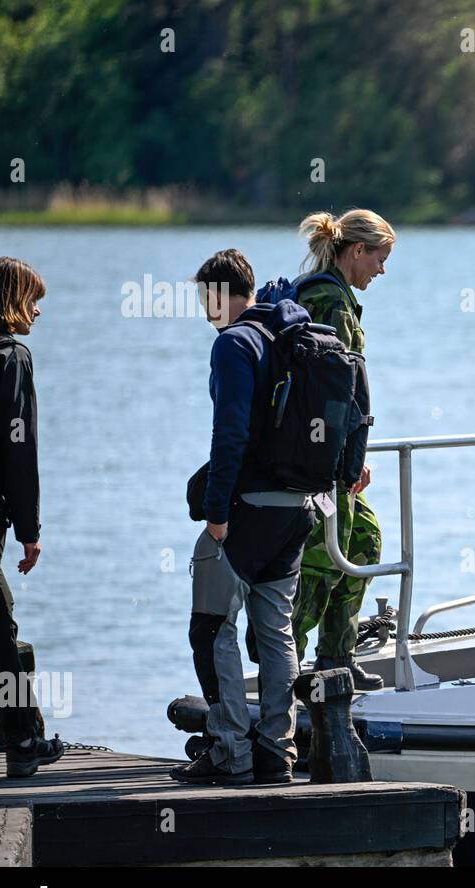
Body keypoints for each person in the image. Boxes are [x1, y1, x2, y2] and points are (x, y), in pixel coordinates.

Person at [173, 249, 317, 785]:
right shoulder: (298, 333)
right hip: (298, 509)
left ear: (221, 293)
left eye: (205, 298)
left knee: (212, 628)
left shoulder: (234, 344)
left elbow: (229, 433)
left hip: (246, 508)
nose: (203, 309)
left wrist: (215, 512)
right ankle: (277, 754)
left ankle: (229, 753)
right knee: (277, 633)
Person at [288, 210, 394, 691]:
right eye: (379, 258)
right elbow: (331, 394)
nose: (381, 270)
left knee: (364, 542)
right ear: (357, 251)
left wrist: (356, 457)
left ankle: (337, 655)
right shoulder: (328, 301)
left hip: (338, 458)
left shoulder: (336, 297)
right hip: (323, 464)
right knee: (322, 562)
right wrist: (340, 462)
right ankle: (286, 662)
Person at [0, 256, 65, 777]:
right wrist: (29, 531)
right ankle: (21, 736)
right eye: (32, 299)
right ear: (10, 302)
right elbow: (18, 450)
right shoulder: (10, 357)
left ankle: (22, 738)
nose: (38, 310)